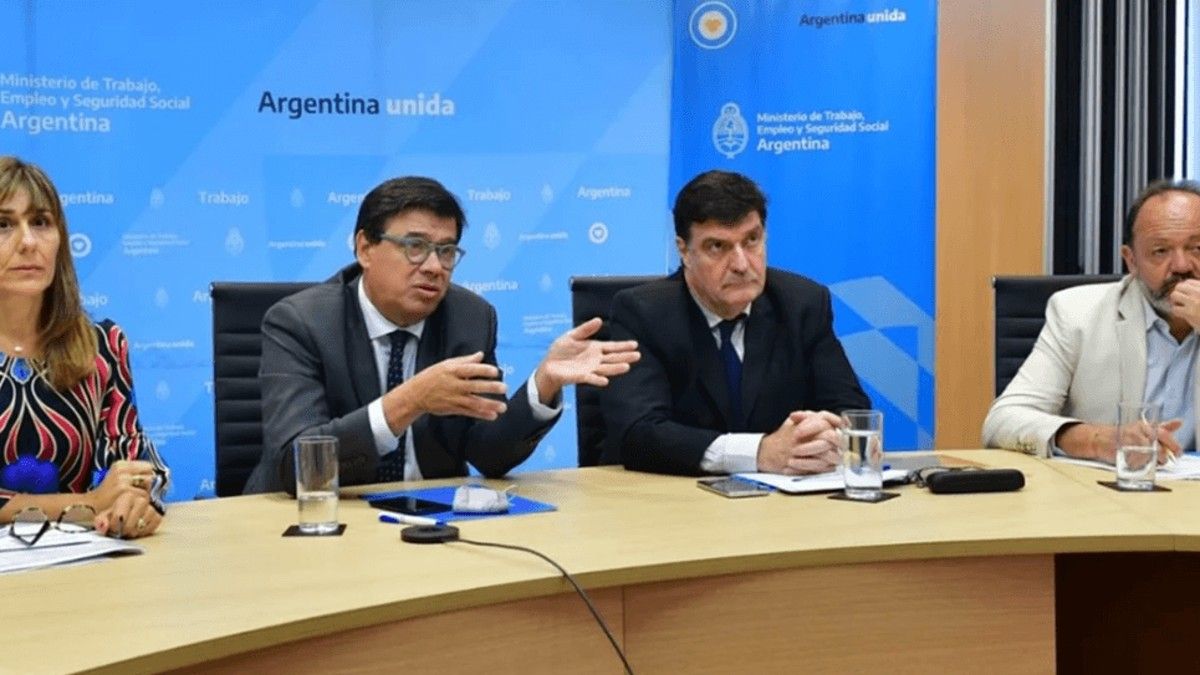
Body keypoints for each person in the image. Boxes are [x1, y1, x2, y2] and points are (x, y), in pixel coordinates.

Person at [244, 176, 640, 493]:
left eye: (447, 251)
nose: (435, 267)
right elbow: (296, 464)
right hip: (319, 524)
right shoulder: (301, 323)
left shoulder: (470, 317)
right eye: (415, 246)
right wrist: (410, 400)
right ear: (365, 249)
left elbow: (489, 454)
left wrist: (543, 384)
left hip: (429, 524)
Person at [600, 170, 870, 476]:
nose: (741, 265)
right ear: (684, 250)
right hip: (671, 498)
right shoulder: (643, 313)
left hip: (782, 498)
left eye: (752, 240)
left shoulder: (802, 303)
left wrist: (828, 437)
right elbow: (639, 434)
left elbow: (851, 411)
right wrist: (759, 453)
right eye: (718, 246)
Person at [0, 156, 167, 538]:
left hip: (82, 557)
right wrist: (89, 503)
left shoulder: (101, 345)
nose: (28, 242)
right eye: (3, 225)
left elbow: (135, 462)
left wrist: (137, 500)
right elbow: (97, 499)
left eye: (41, 222)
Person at [983, 179, 1200, 461]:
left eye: (1197, 248)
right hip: (1106, 486)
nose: (1182, 266)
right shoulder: (1077, 313)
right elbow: (1002, 421)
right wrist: (1097, 441)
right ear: (1131, 261)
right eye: (1160, 251)